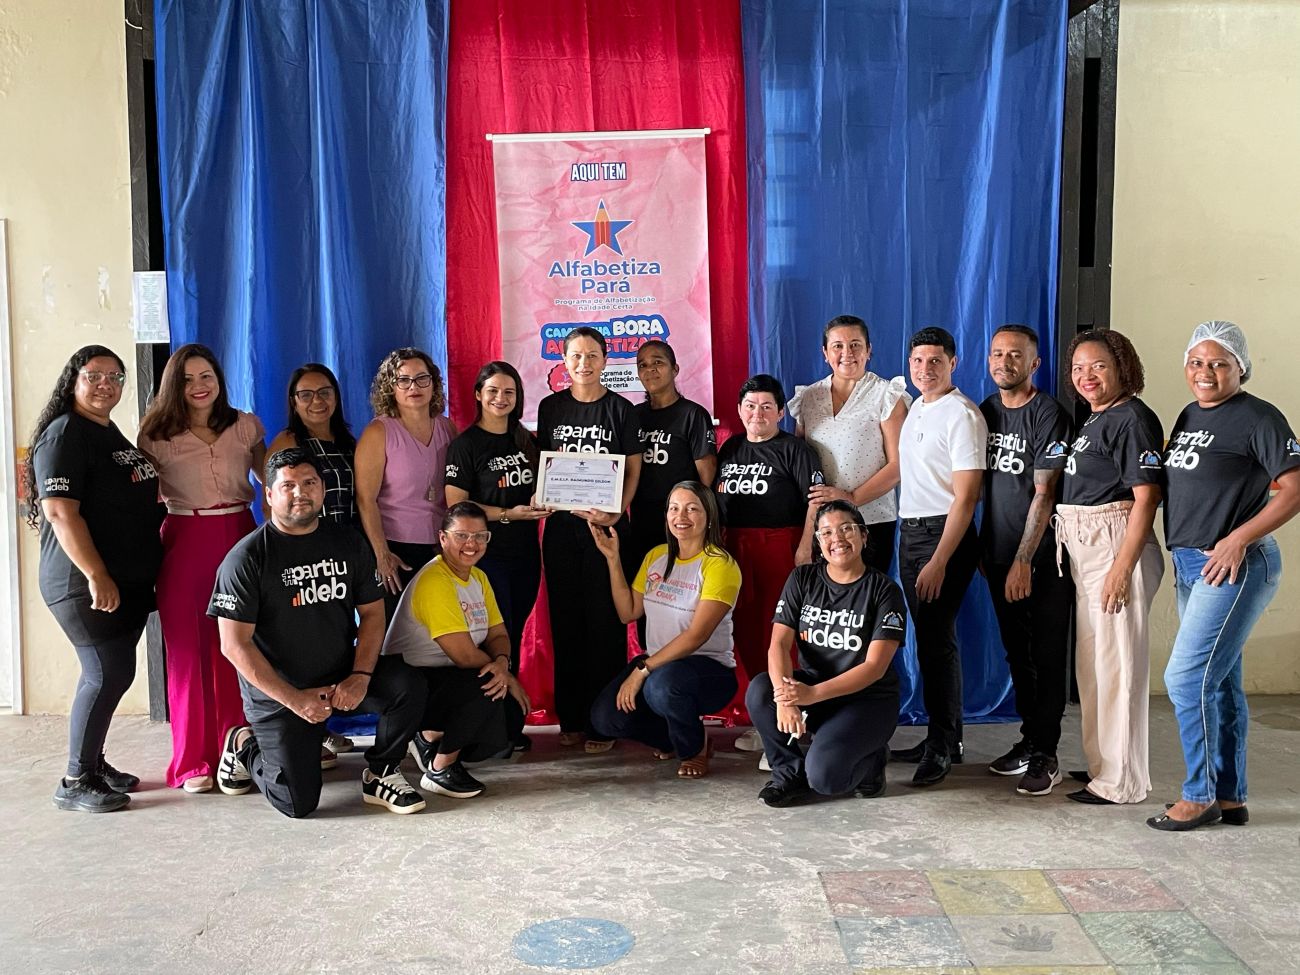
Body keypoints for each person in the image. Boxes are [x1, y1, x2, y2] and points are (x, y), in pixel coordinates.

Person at [209, 448, 426, 817]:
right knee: (297, 803)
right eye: (288, 486)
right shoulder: (246, 559)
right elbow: (234, 646)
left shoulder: (348, 542)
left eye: (310, 483)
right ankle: (245, 746)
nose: (301, 493)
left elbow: (373, 615)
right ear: (269, 494)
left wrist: (360, 676)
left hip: (340, 677)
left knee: (408, 685)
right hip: (282, 693)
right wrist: (295, 701)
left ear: (323, 490)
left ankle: (381, 772)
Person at [1148, 321, 1300, 831]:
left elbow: (1294, 487)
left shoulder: (1259, 417)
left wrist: (1239, 538)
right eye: (1196, 362)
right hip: (1191, 564)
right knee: (1221, 683)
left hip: (1234, 564)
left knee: (1186, 678)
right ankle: (1230, 796)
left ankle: (1199, 795)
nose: (1205, 372)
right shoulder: (1190, 414)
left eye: (1218, 363)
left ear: (1241, 367)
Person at [26, 346, 164, 812]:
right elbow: (60, 513)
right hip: (82, 581)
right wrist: (96, 573)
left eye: (115, 377)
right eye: (94, 375)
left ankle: (93, 762)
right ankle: (75, 778)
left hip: (124, 580)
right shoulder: (65, 433)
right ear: (74, 380)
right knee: (106, 672)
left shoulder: (106, 431)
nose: (106, 384)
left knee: (114, 673)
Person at [137, 343, 265, 794]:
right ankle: (193, 760)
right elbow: (137, 499)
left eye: (206, 376)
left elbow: (272, 479)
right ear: (174, 384)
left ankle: (241, 749)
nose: (198, 386)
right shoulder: (154, 434)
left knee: (239, 644)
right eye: (188, 378)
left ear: (219, 380)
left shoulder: (245, 425)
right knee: (189, 650)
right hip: (185, 536)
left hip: (241, 536)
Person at [1055, 328, 1164, 806]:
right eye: (1079, 368)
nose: (1087, 376)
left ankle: (1123, 781)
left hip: (1116, 544)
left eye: (1098, 366)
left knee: (1119, 666)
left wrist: (1123, 568)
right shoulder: (1098, 418)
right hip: (1088, 548)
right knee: (1095, 664)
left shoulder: (1132, 418)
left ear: (1122, 366)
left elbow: (1147, 497)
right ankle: (1104, 764)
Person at [746, 500, 906, 806]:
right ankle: (788, 774)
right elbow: (779, 644)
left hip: (867, 699)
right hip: (814, 689)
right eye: (827, 532)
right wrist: (785, 698)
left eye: (846, 529)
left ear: (863, 535)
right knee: (761, 690)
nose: (837, 539)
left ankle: (872, 759)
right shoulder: (803, 579)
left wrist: (811, 695)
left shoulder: (884, 591)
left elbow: (874, 667)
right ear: (818, 542)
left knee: (826, 779)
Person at [978, 325, 1075, 796]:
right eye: (998, 353)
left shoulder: (1048, 414)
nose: (1005, 362)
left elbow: (1045, 492)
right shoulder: (986, 411)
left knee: (1046, 655)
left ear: (1034, 363)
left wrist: (1023, 559)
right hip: (997, 554)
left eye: (1015, 355)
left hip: (1042, 558)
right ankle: (1029, 738)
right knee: (1018, 654)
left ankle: (1047, 753)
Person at [536, 326, 642, 752]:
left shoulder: (621, 409)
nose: (584, 363)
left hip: (607, 528)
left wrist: (617, 511)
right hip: (562, 530)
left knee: (605, 624)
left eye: (592, 355)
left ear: (605, 360)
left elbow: (633, 469)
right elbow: (546, 464)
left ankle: (604, 721)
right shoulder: (550, 407)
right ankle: (573, 717)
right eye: (576, 356)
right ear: (564, 361)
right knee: (566, 622)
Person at [588, 482, 740, 778]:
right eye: (674, 508)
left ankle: (693, 749)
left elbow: (696, 636)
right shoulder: (657, 556)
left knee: (662, 687)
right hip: (659, 665)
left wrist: (642, 670)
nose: (680, 516)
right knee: (606, 719)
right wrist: (612, 559)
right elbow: (628, 613)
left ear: (709, 516)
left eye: (692, 509)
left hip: (708, 669)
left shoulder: (720, 564)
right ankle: (675, 738)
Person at [889, 327, 987, 787]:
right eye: (918, 361)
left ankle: (943, 746)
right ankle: (945, 736)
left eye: (935, 361)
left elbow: (967, 498)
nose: (925, 369)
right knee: (929, 638)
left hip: (943, 535)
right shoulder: (916, 408)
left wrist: (940, 560)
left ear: (953, 363)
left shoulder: (962, 414)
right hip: (911, 531)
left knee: (935, 640)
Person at [382, 502, 532, 799]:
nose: (471, 544)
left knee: (509, 717)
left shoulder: (478, 577)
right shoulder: (435, 581)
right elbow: (464, 656)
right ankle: (441, 768)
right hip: (409, 685)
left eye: (480, 536)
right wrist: (506, 677)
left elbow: (498, 633)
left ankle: (428, 737)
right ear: (443, 538)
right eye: (462, 535)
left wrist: (502, 662)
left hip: (446, 677)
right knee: (488, 686)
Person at [444, 362, 550, 751]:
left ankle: (507, 725)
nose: (500, 398)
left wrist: (544, 499)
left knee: (512, 637)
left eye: (509, 392)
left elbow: (546, 487)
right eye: (492, 391)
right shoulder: (465, 445)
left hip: (525, 555)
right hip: (485, 559)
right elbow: (456, 505)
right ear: (478, 394)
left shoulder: (527, 441)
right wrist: (508, 514)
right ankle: (482, 730)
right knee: (490, 642)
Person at [715, 374, 823, 752]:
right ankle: (765, 720)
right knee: (746, 632)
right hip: (736, 550)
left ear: (780, 413)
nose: (757, 413)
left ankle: (793, 720)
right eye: (750, 406)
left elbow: (816, 500)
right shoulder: (730, 448)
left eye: (766, 407)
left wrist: (806, 547)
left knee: (780, 633)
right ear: (739, 410)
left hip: (781, 546)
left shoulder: (795, 450)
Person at [789, 315, 910, 574]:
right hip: (823, 525)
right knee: (824, 596)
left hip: (871, 520)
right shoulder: (808, 397)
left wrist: (851, 498)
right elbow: (800, 462)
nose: (847, 353)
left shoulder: (886, 395)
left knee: (866, 595)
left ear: (868, 350)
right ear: (825, 353)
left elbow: (898, 466)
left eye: (855, 345)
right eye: (838, 346)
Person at [355, 348, 458, 622]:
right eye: (403, 380)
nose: (414, 387)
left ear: (433, 383)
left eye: (422, 378)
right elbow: (365, 499)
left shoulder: (448, 428)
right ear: (391, 387)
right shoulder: (378, 432)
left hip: (441, 547)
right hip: (395, 550)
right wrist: (382, 554)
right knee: (397, 632)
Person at [627, 340, 718, 591]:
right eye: (643, 365)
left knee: (679, 594)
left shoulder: (692, 414)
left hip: (681, 523)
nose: (650, 370)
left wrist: (702, 522)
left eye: (658, 362)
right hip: (642, 521)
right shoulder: (634, 416)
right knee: (645, 593)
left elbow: (707, 475)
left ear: (674, 369)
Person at [267, 363, 358, 526]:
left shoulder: (348, 443)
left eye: (324, 392)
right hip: (310, 538)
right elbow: (270, 506)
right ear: (294, 402)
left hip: (353, 537)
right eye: (306, 395)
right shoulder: (287, 442)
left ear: (336, 397)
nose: (317, 400)